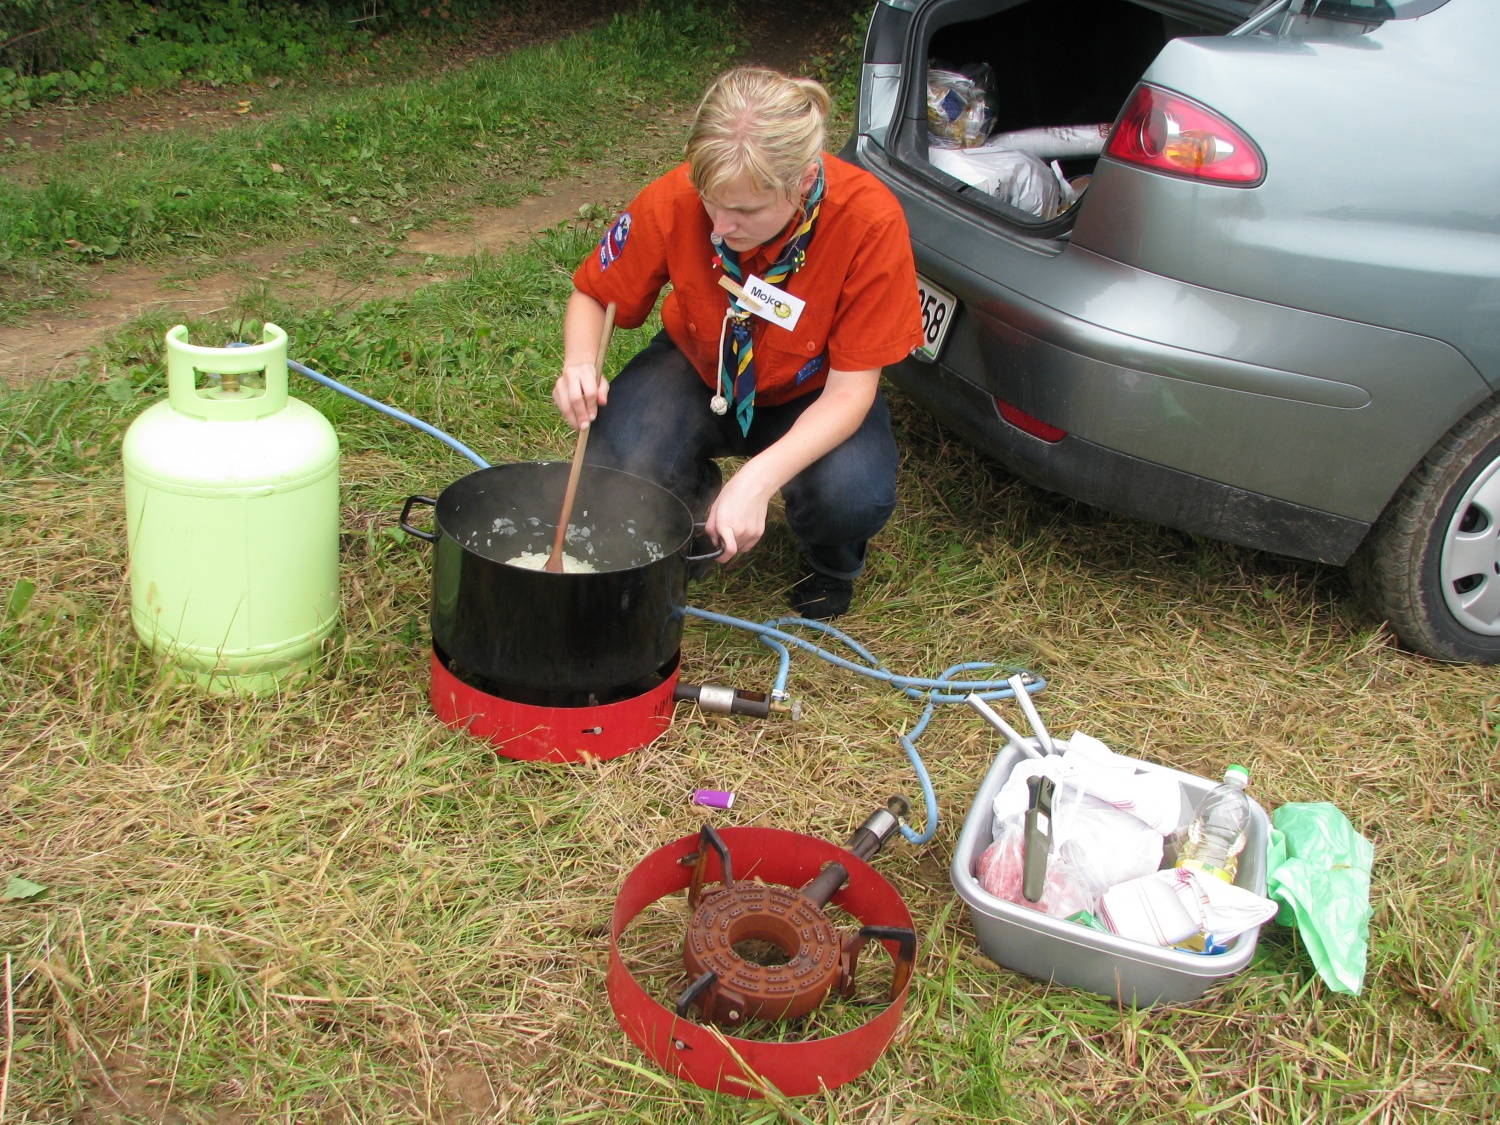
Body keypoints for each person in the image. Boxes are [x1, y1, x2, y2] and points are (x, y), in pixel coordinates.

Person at [552, 67, 923, 619]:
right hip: (699, 366)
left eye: (746, 211)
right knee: (620, 455)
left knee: (851, 493)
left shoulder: (868, 222)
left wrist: (759, 479)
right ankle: (690, 524)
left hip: (814, 392)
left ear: (800, 182)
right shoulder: (675, 198)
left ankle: (830, 561)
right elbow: (592, 295)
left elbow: (850, 395)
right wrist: (580, 363)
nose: (721, 226)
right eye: (711, 201)